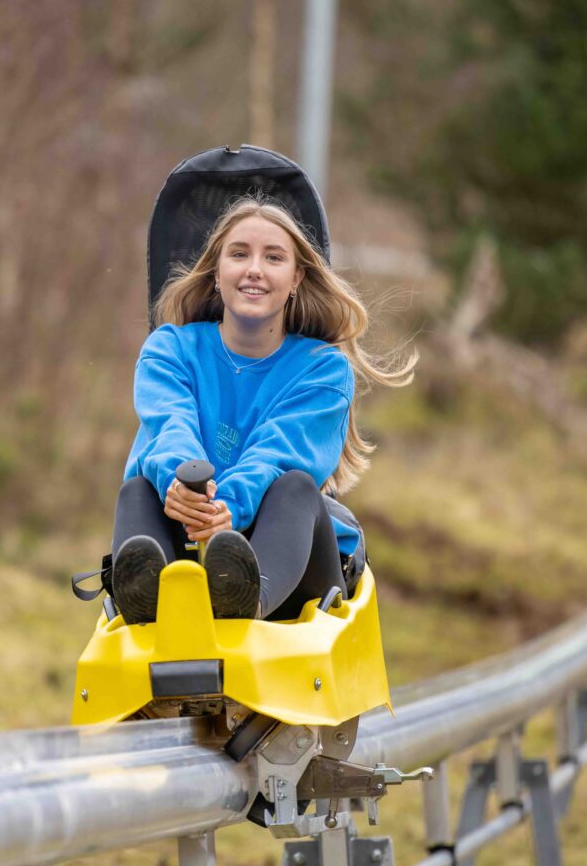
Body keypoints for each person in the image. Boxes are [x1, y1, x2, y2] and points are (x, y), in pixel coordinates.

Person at [110, 197, 415, 625]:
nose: (254, 268)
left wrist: (228, 509)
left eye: (273, 257)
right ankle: (145, 602)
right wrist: (182, 485)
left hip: (289, 568)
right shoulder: (169, 349)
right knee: (137, 489)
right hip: (191, 530)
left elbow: (277, 453)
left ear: (296, 279)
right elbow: (168, 425)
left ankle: (240, 599)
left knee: (294, 486)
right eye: (239, 254)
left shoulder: (323, 370)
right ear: (217, 273)